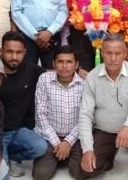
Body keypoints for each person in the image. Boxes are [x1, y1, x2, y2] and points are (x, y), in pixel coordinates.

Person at [78, 33, 128, 180]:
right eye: (109, 53)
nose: (113, 58)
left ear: (125, 54)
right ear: (102, 53)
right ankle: (109, 156)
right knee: (86, 171)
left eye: (117, 53)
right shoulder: (92, 77)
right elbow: (85, 114)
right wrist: (87, 149)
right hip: (104, 130)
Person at [0, 32, 47, 177]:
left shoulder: (31, 70)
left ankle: (15, 157)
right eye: (9, 52)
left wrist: (77, 70)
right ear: (1, 51)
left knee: (40, 147)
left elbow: (53, 74)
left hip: (19, 130)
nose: (14, 57)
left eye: (18, 52)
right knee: (2, 175)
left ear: (24, 52)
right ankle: (1, 155)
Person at [32, 46, 84, 180]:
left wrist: (68, 142)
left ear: (76, 64)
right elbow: (40, 115)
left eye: (69, 62)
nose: (64, 66)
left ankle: (64, 156)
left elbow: (85, 118)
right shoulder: (44, 79)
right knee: (40, 175)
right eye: (60, 62)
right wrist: (56, 143)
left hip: (75, 138)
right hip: (50, 137)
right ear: (54, 63)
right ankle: (60, 155)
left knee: (81, 173)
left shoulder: (84, 83)